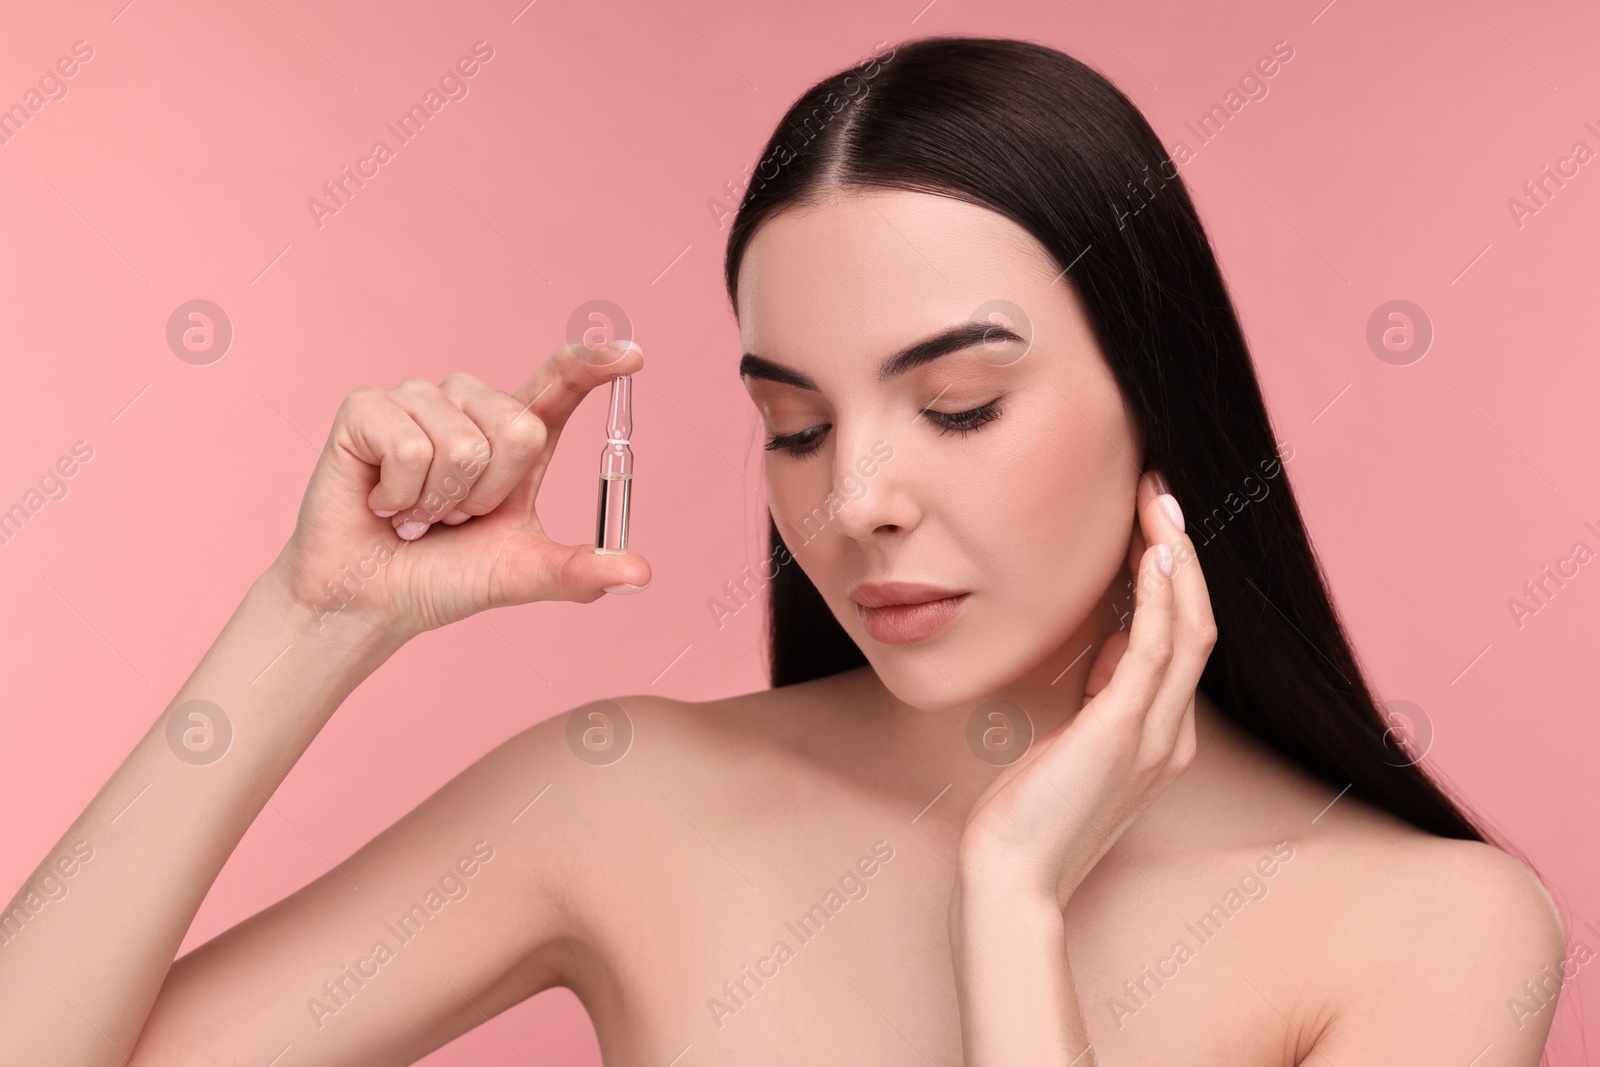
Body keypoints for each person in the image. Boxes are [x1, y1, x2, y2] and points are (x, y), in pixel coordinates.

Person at [1, 34, 1565, 1066]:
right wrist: (310, 618)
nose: (857, 498)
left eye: (959, 406)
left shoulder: (1429, 929)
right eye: (797, 428)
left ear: (1162, 400)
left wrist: (1013, 910)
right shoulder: (623, 797)